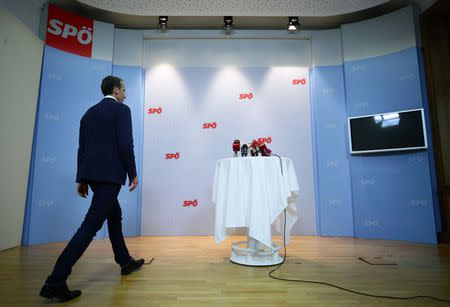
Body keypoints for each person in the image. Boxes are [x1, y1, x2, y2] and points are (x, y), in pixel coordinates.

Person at [40, 76, 144, 302]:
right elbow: (126, 145)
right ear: (115, 90)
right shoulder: (121, 110)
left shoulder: (88, 113)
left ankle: (124, 261)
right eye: (124, 90)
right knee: (91, 224)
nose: (126, 94)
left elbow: (82, 148)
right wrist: (133, 173)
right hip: (110, 176)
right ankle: (55, 280)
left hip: (94, 177)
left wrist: (82, 178)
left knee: (114, 214)